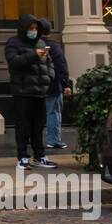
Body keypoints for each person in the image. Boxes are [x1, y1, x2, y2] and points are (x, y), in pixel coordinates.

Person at [4, 13, 58, 169]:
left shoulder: (41, 43)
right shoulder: (13, 43)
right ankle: (22, 157)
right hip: (22, 91)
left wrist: (50, 77)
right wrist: (33, 55)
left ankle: (39, 156)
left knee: (38, 126)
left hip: (40, 92)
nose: (33, 31)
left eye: (35, 28)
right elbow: (14, 62)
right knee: (23, 126)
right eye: (31, 28)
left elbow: (49, 63)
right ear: (23, 28)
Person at [37, 18, 72, 150]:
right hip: (52, 85)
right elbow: (61, 65)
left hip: (34, 85)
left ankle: (32, 139)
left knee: (35, 113)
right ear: (49, 31)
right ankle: (53, 140)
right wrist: (66, 84)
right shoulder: (54, 46)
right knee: (53, 112)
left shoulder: (31, 45)